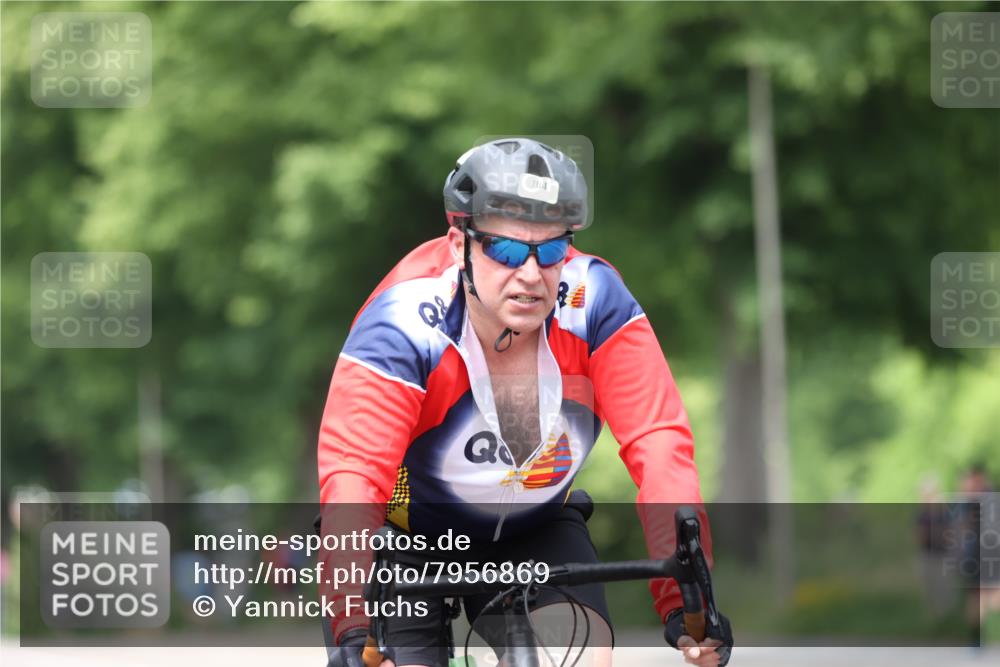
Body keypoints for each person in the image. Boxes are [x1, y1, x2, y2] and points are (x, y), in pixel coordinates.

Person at [317, 138, 733, 667]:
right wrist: (353, 624)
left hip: (534, 529)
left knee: (577, 658)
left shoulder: (595, 303)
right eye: (508, 250)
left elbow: (658, 442)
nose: (532, 273)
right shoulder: (400, 325)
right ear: (457, 243)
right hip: (404, 541)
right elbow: (353, 475)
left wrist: (687, 603)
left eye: (553, 249)